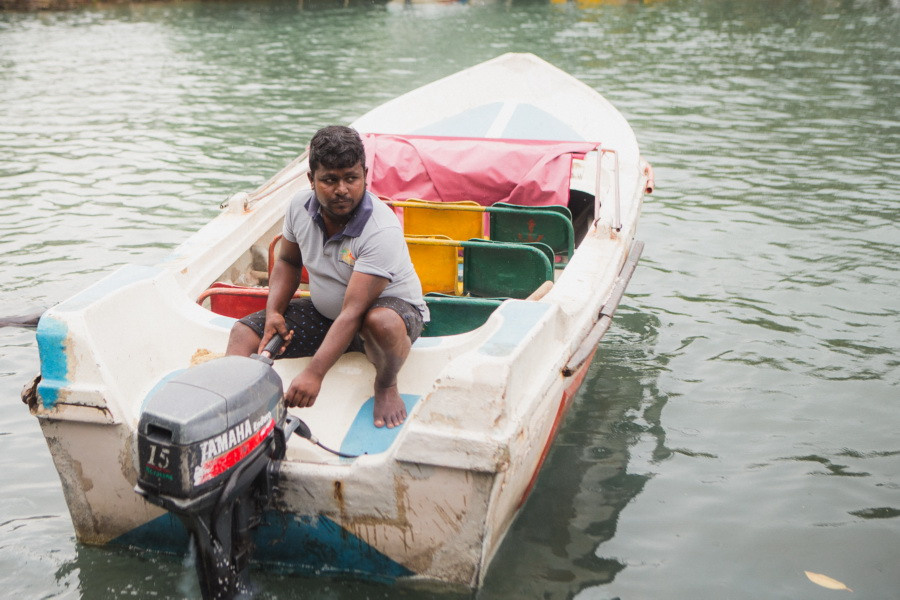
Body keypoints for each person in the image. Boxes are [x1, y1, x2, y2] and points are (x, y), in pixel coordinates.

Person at [226, 125, 428, 428]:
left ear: (365, 176)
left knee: (380, 322)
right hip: (328, 316)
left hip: (383, 318)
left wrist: (314, 373)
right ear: (312, 180)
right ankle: (235, 415)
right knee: (243, 334)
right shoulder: (298, 207)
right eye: (330, 180)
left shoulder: (380, 229)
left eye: (351, 178)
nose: (342, 189)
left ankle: (386, 384)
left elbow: (353, 312)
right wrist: (273, 312)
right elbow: (288, 261)